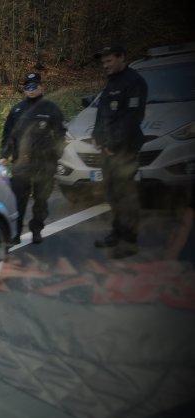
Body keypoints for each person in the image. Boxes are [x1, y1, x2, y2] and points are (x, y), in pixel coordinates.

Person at [91, 45, 148, 259]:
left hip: (124, 151)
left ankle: (130, 241)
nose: (105, 65)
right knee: (112, 193)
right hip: (108, 152)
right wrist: (97, 137)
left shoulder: (134, 82)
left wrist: (112, 144)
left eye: (109, 61)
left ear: (122, 57)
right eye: (103, 62)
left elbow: (131, 119)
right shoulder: (112, 81)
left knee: (125, 196)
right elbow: (102, 114)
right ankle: (116, 233)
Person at [0, 72, 65, 245]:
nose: (31, 89)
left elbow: (60, 135)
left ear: (42, 87)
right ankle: (16, 233)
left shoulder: (51, 109)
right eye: (27, 87)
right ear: (24, 90)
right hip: (22, 163)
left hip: (45, 163)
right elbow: (8, 136)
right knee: (18, 200)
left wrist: (56, 157)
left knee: (41, 200)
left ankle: (37, 229)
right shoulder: (17, 110)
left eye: (34, 86)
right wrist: (4, 156)